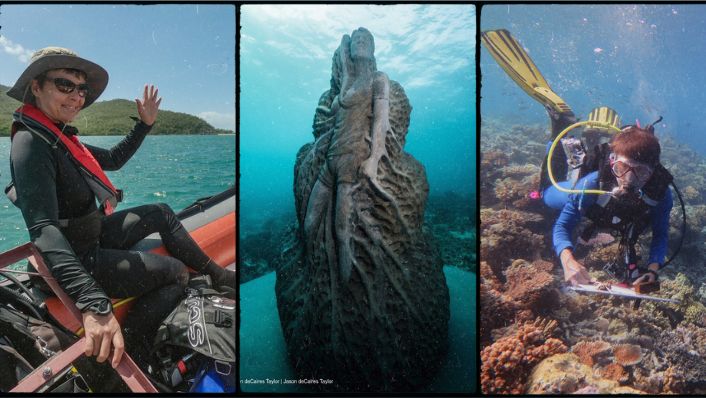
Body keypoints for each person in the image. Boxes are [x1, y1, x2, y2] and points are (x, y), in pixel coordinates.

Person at [5, 47, 235, 369]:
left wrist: (144, 125)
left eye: (81, 88)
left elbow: (113, 159)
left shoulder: (60, 136)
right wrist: (93, 303)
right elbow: (43, 229)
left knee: (161, 211)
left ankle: (218, 274)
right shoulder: (31, 143)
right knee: (177, 274)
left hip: (95, 235)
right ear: (37, 86)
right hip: (81, 259)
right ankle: (135, 353)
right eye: (64, 85)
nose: (76, 96)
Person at [481, 29, 675, 287]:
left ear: (653, 171)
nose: (629, 179)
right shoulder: (593, 183)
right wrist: (568, 260)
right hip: (584, 191)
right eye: (621, 168)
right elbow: (562, 226)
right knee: (549, 196)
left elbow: (660, 235)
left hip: (605, 209)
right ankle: (561, 128)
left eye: (640, 172)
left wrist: (652, 269)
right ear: (610, 163)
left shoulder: (662, 193)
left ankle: (580, 148)